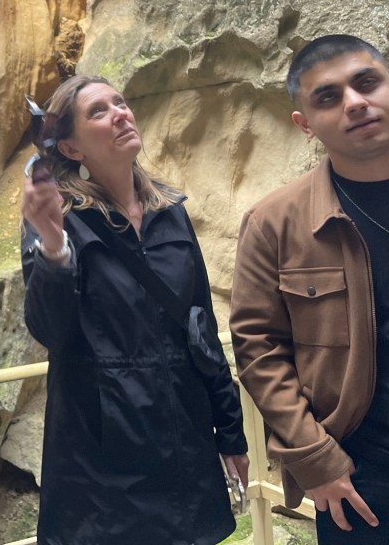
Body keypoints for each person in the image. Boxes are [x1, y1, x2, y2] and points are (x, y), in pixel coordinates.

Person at [20, 74, 249, 545]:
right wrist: (53, 248)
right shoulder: (60, 219)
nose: (120, 114)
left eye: (120, 103)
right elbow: (50, 331)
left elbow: (201, 329)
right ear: (72, 148)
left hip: (185, 445)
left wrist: (231, 434)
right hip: (104, 459)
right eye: (98, 111)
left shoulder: (170, 211)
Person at [230, 34, 389, 542]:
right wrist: (315, 459)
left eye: (366, 83)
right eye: (328, 97)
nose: (354, 103)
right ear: (305, 124)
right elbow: (259, 349)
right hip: (366, 479)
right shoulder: (275, 224)